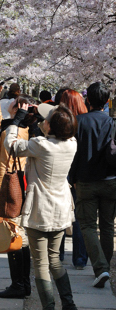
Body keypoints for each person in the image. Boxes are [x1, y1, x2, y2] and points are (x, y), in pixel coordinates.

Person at [5, 103, 79, 310]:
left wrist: (15, 122)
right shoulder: (72, 143)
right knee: (55, 260)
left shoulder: (40, 145)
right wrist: (40, 117)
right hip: (61, 209)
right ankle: (69, 307)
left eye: (46, 119)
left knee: (40, 264)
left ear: (51, 126)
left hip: (40, 210)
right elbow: (51, 133)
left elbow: (12, 146)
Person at [70, 81, 116, 288]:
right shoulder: (113, 123)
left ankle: (101, 268)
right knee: (107, 226)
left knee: (88, 225)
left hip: (86, 181)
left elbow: (73, 154)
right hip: (110, 180)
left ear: (87, 100)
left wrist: (71, 179)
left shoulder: (78, 122)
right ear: (106, 101)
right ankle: (105, 266)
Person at [0, 87, 31, 299]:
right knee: (19, 235)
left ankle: (19, 284)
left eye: (12, 105)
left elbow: (6, 163)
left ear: (18, 109)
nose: (9, 107)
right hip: (18, 185)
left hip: (10, 186)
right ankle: (23, 283)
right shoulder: (19, 127)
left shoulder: (16, 131)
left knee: (11, 233)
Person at [58, 90, 88, 269]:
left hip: (62, 173)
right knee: (79, 217)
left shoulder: (60, 122)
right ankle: (79, 258)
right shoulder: (85, 121)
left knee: (61, 214)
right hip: (81, 175)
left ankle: (58, 254)